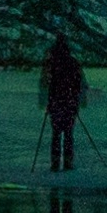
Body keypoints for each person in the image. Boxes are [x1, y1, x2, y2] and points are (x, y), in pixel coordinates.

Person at [40, 31, 85, 172]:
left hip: (55, 102)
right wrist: (78, 100)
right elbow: (79, 83)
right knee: (68, 133)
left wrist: (45, 101)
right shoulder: (73, 62)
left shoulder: (51, 63)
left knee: (56, 133)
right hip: (69, 102)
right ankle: (68, 162)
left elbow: (44, 83)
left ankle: (54, 162)